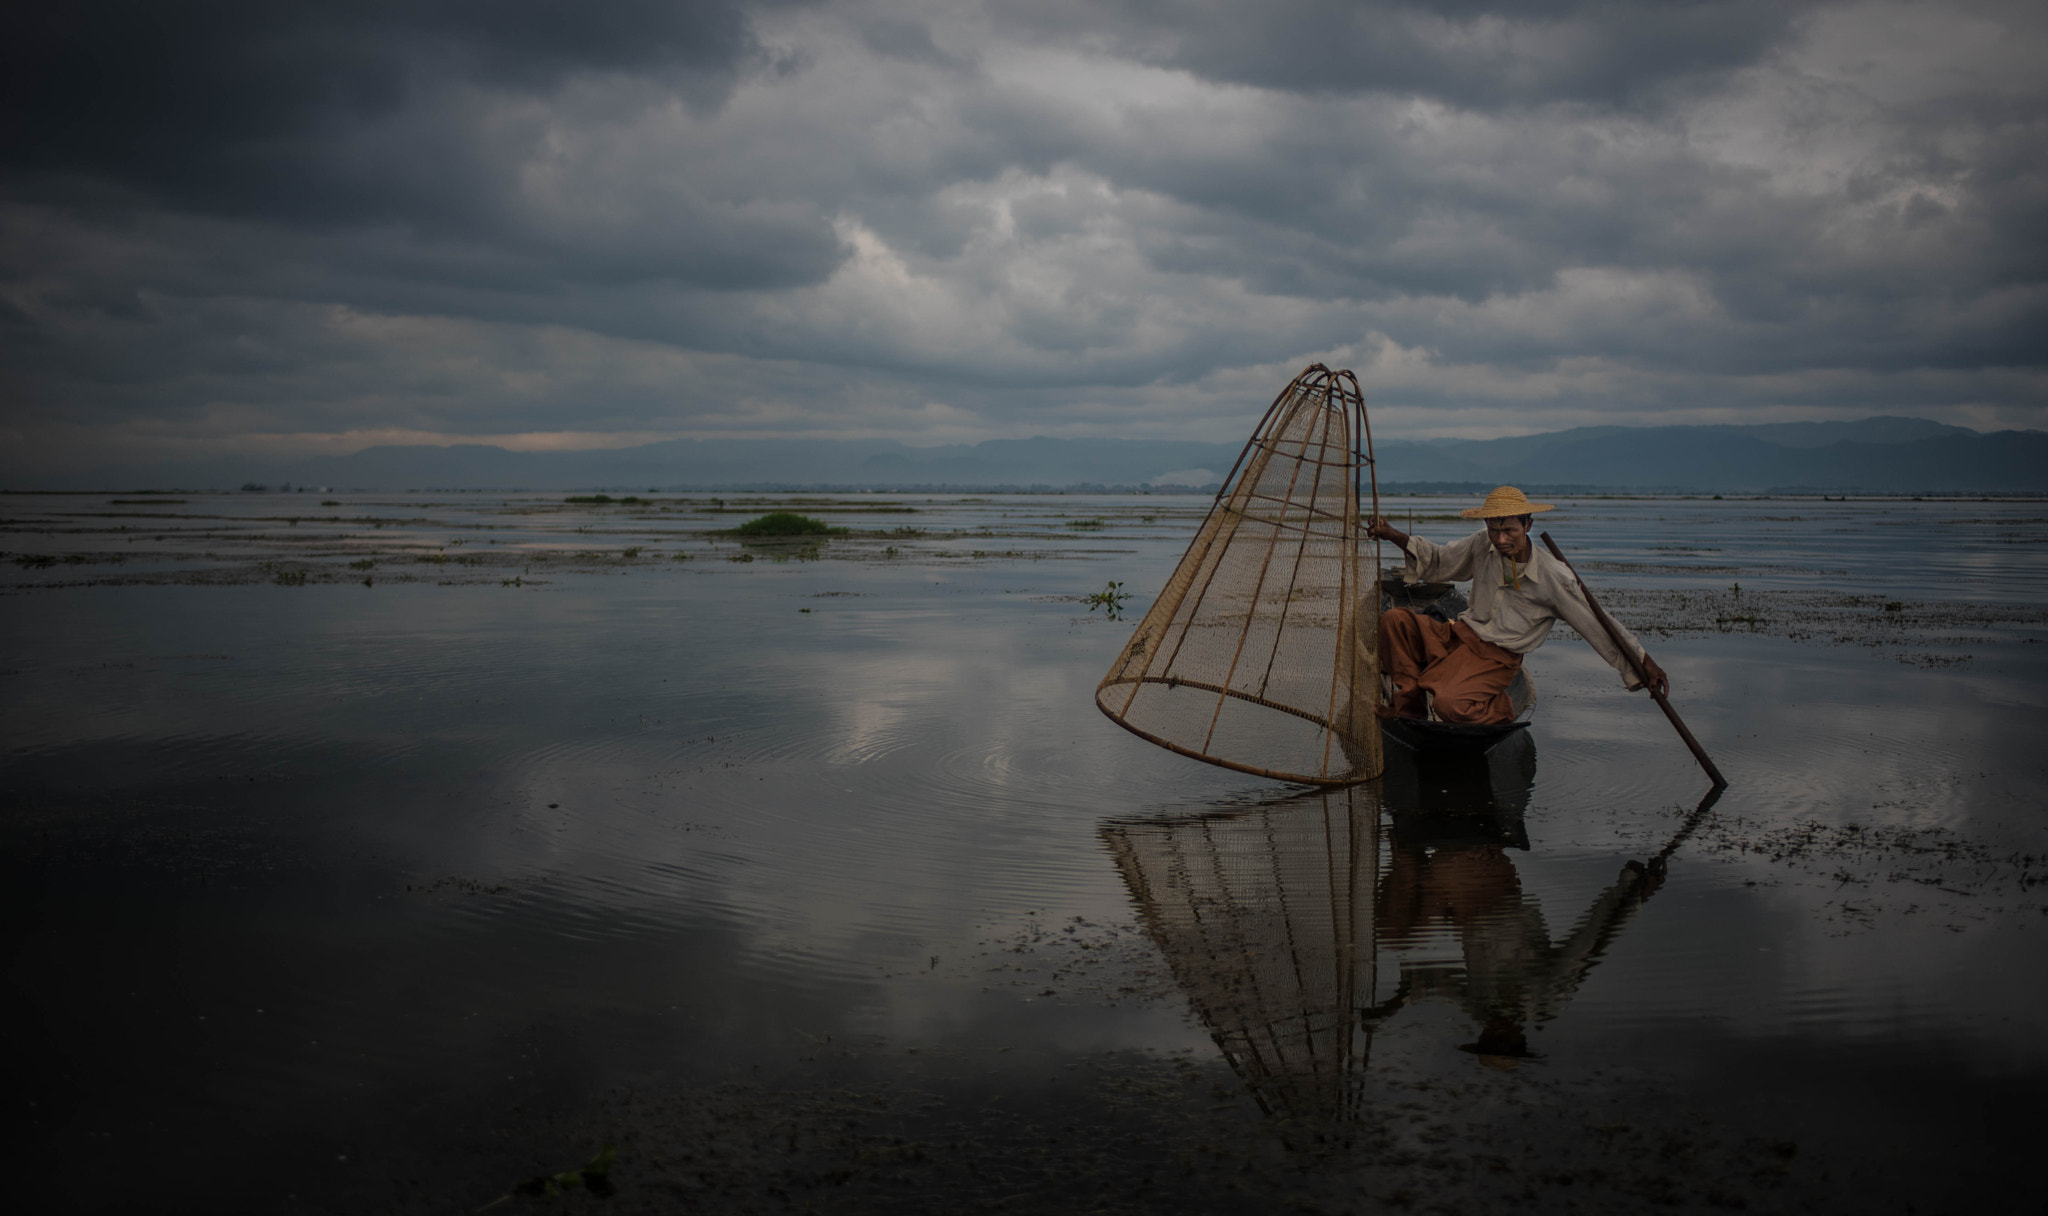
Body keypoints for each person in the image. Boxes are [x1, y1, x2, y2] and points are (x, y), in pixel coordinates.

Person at [1366, 485, 1667, 725]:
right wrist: (1394, 535)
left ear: (1528, 525)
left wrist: (1643, 662)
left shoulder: (1553, 577)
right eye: (1494, 530)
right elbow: (1441, 560)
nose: (1500, 539)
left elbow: (1597, 625)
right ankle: (1408, 708)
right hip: (1458, 636)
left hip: (1496, 659)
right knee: (1395, 621)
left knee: (1450, 706)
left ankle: (1499, 708)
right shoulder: (1483, 544)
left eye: (1509, 530)